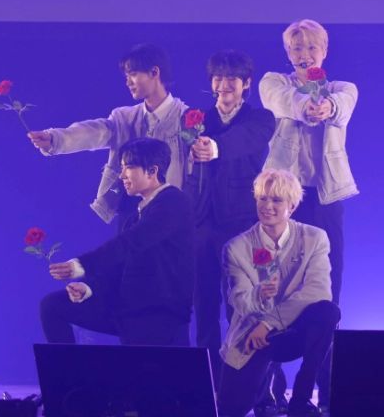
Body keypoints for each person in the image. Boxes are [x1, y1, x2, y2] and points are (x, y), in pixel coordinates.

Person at [259, 19, 359, 409]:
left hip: (327, 198)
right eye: (297, 49)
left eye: (311, 47)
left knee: (327, 294)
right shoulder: (273, 82)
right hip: (284, 200)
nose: (305, 55)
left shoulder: (343, 88)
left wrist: (326, 105)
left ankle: (324, 389)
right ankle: (271, 390)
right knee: (274, 287)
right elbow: (282, 101)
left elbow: (342, 107)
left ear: (324, 51)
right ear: (288, 54)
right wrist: (306, 105)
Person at [39, 137, 195, 346]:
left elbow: (131, 242)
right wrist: (88, 288)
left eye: (128, 167)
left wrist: (82, 265)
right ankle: (70, 368)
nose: (122, 176)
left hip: (158, 313)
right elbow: (118, 266)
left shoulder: (174, 202)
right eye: (121, 168)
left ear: (152, 171)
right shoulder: (135, 216)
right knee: (52, 306)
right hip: (129, 306)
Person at [216, 169, 340, 417]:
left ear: (291, 206)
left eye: (276, 200)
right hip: (254, 334)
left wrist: (270, 322)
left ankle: (300, 400)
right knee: (230, 409)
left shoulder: (314, 238)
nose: (267, 206)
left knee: (327, 312)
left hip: (293, 329)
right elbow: (238, 300)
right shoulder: (236, 248)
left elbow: (318, 291)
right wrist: (258, 295)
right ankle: (262, 392)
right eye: (262, 198)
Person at [184, 50, 275, 384]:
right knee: (204, 305)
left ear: (246, 83)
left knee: (242, 306)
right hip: (201, 224)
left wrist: (214, 148)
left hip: (240, 224)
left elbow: (245, 140)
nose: (223, 85)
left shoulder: (261, 119)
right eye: (217, 78)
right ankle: (206, 382)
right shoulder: (195, 119)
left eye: (231, 79)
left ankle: (249, 385)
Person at [28, 43, 188, 225]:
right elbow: (94, 132)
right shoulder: (124, 118)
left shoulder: (186, 118)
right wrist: (55, 139)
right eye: (126, 76)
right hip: (128, 207)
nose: (128, 82)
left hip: (168, 211)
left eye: (133, 74)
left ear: (154, 72)